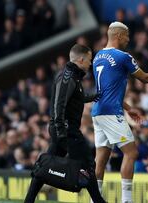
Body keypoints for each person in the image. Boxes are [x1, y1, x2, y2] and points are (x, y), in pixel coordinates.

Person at [91, 21, 148, 203]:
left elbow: (106, 89)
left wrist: (128, 108)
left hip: (98, 112)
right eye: (126, 36)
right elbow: (143, 78)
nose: (128, 39)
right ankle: (127, 200)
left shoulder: (98, 56)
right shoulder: (123, 56)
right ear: (118, 36)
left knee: (100, 159)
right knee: (132, 153)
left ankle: (95, 199)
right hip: (111, 112)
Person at [24, 44, 106, 203]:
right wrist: (61, 133)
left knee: (45, 166)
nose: (90, 63)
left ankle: (29, 200)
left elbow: (77, 97)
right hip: (67, 131)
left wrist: (95, 96)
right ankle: (99, 201)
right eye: (89, 60)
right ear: (81, 60)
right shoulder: (67, 77)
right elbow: (58, 106)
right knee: (88, 164)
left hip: (64, 129)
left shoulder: (73, 76)